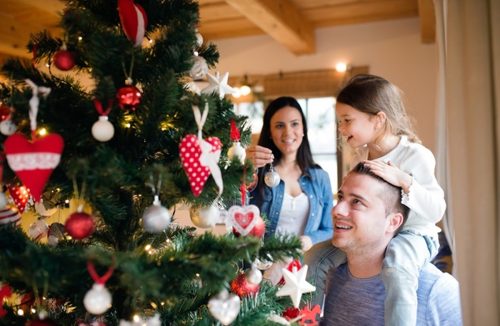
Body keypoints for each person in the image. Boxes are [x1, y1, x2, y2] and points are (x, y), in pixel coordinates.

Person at [306, 74, 446, 326]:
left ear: (379, 119)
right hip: (372, 235)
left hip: (413, 234)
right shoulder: (361, 160)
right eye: (340, 121)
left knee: (396, 269)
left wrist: (405, 180)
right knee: (317, 258)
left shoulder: (415, 155)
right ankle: (307, 321)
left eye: (347, 120)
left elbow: (436, 210)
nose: (341, 128)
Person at [320, 162, 461, 325]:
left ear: (393, 222)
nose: (337, 210)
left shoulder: (436, 292)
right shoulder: (329, 278)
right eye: (341, 197)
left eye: (357, 202)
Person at [246, 96, 333, 252]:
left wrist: (310, 239)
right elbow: (236, 214)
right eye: (279, 126)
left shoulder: (320, 177)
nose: (288, 132)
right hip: (263, 269)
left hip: (305, 268)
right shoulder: (258, 173)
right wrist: (243, 170)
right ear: (270, 132)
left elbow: (329, 229)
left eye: (295, 124)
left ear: (303, 129)